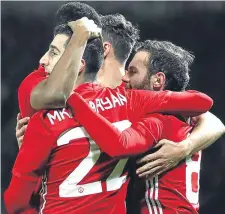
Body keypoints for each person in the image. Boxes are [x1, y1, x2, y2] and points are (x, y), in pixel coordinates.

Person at [4, 14, 214, 214]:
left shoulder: (142, 105)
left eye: (58, 52)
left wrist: (185, 147)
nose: (125, 78)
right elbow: (205, 111)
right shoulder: (129, 100)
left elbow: (210, 118)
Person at [64, 40, 225, 213]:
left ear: (158, 80)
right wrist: (186, 147)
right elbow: (215, 122)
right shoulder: (186, 117)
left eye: (133, 72)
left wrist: (72, 98)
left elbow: (121, 144)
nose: (125, 78)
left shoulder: (158, 121)